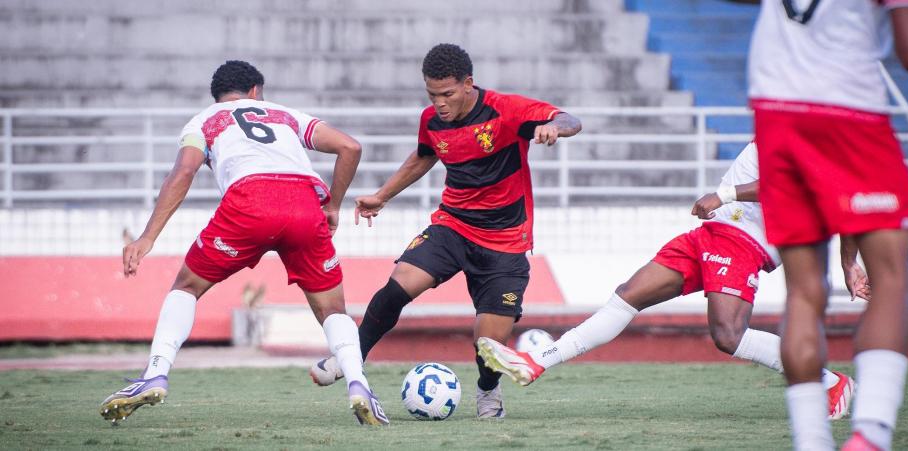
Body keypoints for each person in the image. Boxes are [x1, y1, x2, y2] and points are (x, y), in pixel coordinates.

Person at [475, 143, 862, 420]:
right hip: (712, 233)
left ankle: (827, 382)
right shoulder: (796, 126)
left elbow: (796, 191)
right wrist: (849, 265)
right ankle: (536, 363)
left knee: (728, 336)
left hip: (744, 240)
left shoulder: (813, 140)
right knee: (628, 296)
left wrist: (723, 193)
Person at [99, 60, 389, 426]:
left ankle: (156, 372)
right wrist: (333, 205)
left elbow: (183, 171)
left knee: (186, 287)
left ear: (219, 96)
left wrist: (147, 237)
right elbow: (350, 146)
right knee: (333, 310)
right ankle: (359, 385)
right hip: (304, 204)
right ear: (256, 91)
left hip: (249, 202)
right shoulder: (284, 114)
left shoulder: (204, 120)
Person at [309, 43, 582, 418]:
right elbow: (424, 155)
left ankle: (488, 392)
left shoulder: (507, 110)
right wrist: (382, 196)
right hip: (452, 225)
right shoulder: (432, 120)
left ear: (468, 84)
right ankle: (352, 356)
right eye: (432, 94)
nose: (439, 103)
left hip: (504, 241)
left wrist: (554, 127)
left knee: (488, 343)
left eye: (447, 94)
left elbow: (570, 119)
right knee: (396, 287)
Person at [741, 0, 908, 449]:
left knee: (804, 292)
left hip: (774, 114)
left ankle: (812, 442)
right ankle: (870, 436)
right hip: (849, 111)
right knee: (892, 279)